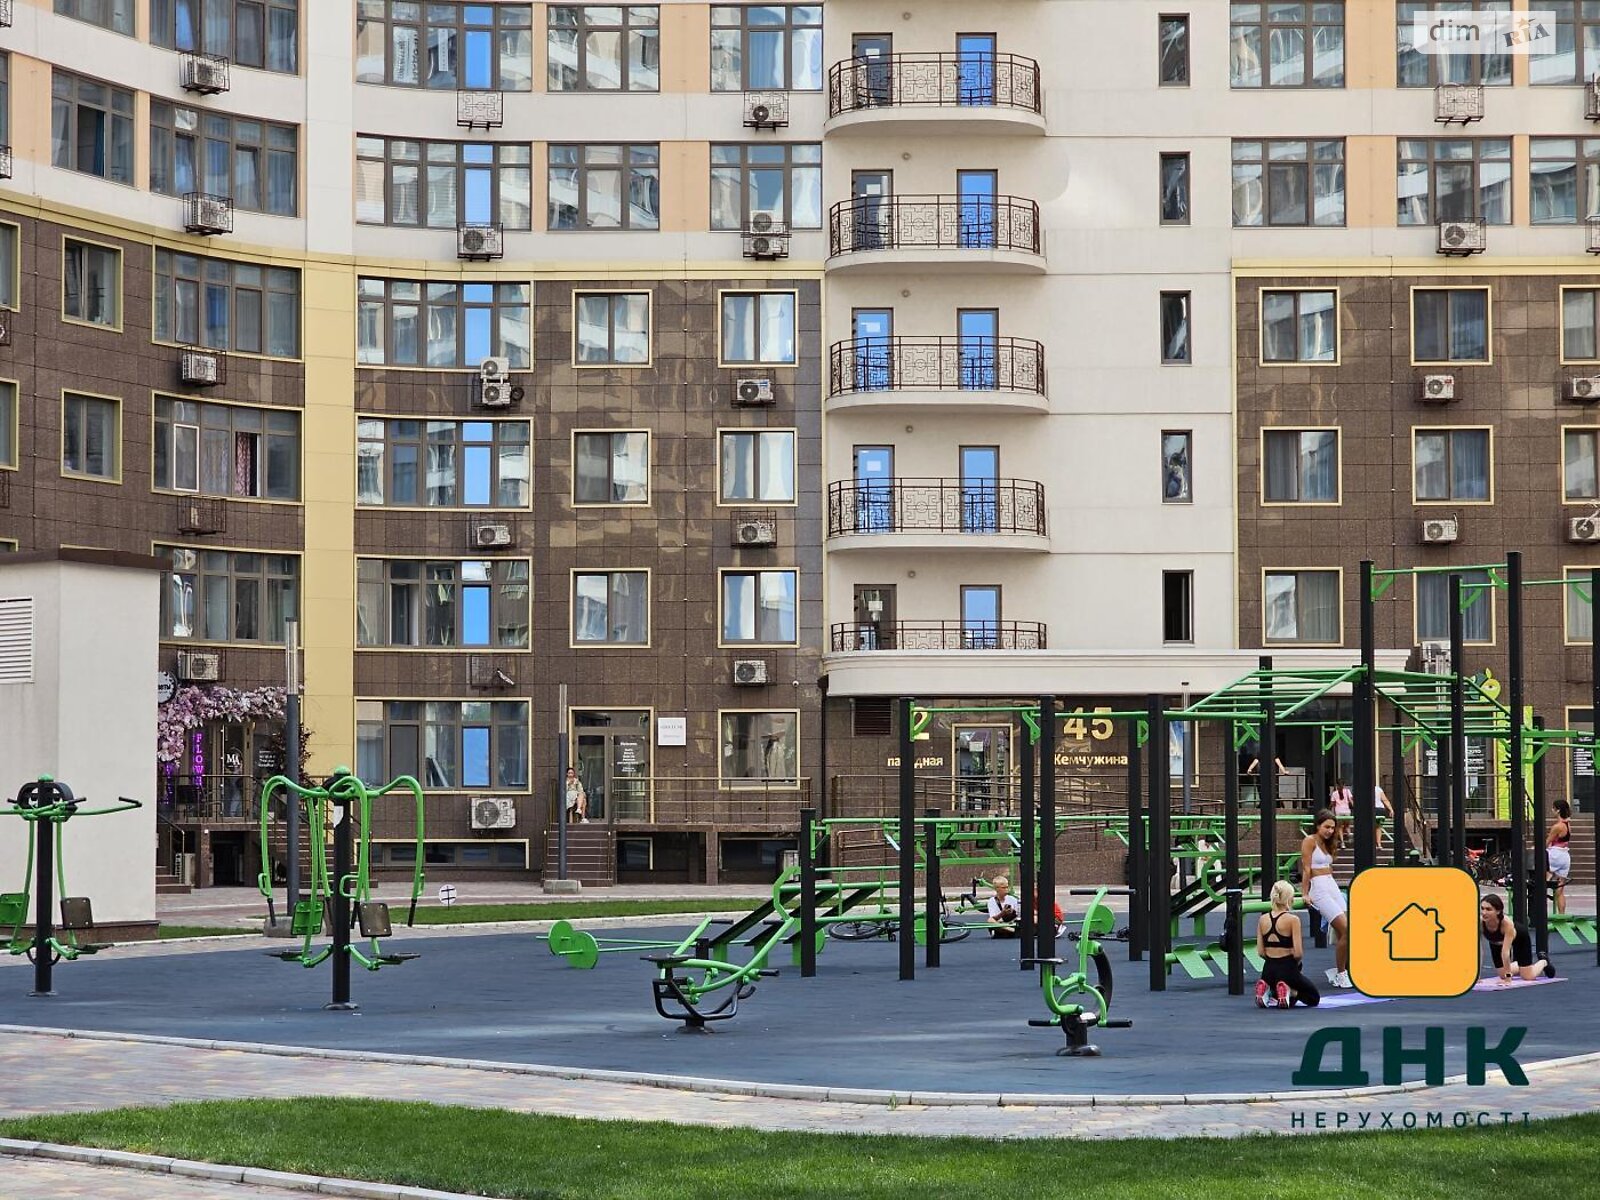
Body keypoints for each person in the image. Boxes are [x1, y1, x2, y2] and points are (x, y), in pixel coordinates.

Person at [1300, 809, 1352, 989]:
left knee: (1347, 929)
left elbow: (1328, 866)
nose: (1330, 830)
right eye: (1326, 827)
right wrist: (1305, 893)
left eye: (1332, 827)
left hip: (1331, 885)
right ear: (1318, 825)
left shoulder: (1329, 843)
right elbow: (1306, 868)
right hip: (1319, 888)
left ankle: (1342, 970)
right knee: (1346, 929)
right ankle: (1341, 973)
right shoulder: (1309, 841)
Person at [1255, 880, 1320, 1008]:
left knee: (1281, 991)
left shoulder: (1263, 919)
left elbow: (1261, 951)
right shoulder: (1293, 920)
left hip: (1268, 969)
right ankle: (1290, 991)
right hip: (1287, 968)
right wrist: (1293, 960)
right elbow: (1298, 953)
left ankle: (1268, 989)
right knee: (1313, 998)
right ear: (1290, 900)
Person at [1479, 894, 1552, 983]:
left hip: (1519, 938)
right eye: (1482, 908)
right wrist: (1476, 976)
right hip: (1496, 943)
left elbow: (1505, 953)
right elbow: (1478, 951)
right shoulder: (1480, 923)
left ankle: (1543, 961)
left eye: (1488, 909)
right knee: (1502, 975)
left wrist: (1508, 978)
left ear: (1498, 911)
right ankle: (1521, 966)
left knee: (1527, 976)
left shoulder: (1506, 924)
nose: (1484, 912)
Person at [1548, 801, 1573, 916]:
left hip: (1555, 854)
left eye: (1553, 808)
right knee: (1560, 889)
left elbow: (1548, 841)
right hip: (1565, 856)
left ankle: (1538, 913)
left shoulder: (1557, 826)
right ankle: (1561, 916)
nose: (1552, 810)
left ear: (1558, 810)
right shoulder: (1568, 825)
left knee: (1539, 881)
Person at [1329, 777, 1354, 846]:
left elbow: (1332, 803)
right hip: (1347, 811)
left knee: (1340, 827)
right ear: (1344, 785)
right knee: (1347, 826)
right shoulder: (1347, 791)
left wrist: (1329, 809)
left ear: (1337, 785)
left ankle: (1342, 842)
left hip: (1338, 811)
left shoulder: (1334, 793)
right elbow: (1351, 801)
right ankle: (1349, 835)